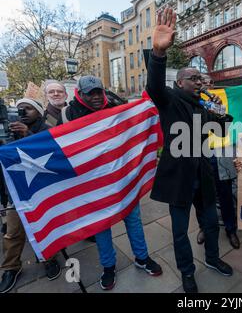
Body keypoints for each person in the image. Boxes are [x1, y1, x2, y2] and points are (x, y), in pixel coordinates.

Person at [146, 8, 234, 293]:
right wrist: (159, 54)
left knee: (210, 223)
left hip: (204, 176)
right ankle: (187, 272)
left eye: (201, 78)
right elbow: (154, 86)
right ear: (180, 83)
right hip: (180, 178)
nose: (200, 81)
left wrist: (220, 114)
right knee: (180, 232)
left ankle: (211, 259)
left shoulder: (204, 106)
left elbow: (216, 136)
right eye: (194, 78)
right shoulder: (170, 99)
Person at [58, 76, 162, 291]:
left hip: (123, 175)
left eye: (98, 91)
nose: (96, 96)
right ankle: (108, 266)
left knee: (133, 219)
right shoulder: (68, 114)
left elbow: (135, 121)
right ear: (80, 93)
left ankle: (142, 257)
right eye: (90, 93)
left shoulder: (115, 102)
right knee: (102, 227)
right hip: (94, 183)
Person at [0, 98, 62, 293]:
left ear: (38, 111)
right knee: (13, 231)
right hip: (15, 191)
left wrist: (28, 134)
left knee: (45, 225)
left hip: (41, 190)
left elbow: (52, 151)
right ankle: (10, 268)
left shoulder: (45, 128)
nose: (23, 113)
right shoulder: (7, 129)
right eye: (19, 109)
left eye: (27, 109)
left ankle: (49, 259)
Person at [195, 74, 240, 250]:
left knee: (226, 194)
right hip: (202, 153)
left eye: (210, 82)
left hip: (223, 152)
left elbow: (226, 123)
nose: (207, 85)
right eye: (203, 82)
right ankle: (204, 228)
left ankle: (231, 229)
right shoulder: (195, 103)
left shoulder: (220, 100)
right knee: (202, 196)